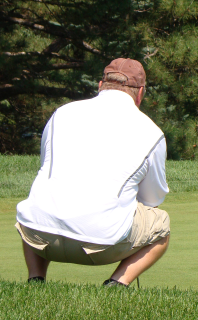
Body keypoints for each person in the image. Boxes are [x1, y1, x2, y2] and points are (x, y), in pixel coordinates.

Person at [15, 58, 170, 286]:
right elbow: (152, 199)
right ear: (140, 94)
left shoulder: (61, 113)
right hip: (101, 245)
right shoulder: (152, 132)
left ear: (100, 85)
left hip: (38, 237)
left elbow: (47, 167)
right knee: (161, 224)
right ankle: (117, 284)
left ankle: (35, 279)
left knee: (39, 199)